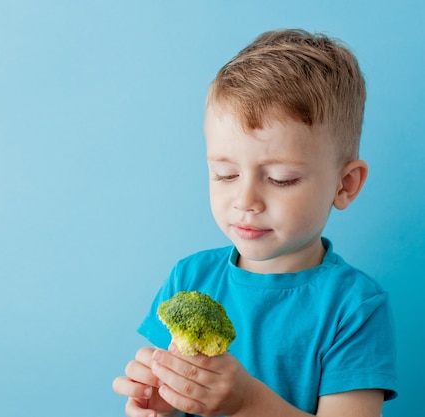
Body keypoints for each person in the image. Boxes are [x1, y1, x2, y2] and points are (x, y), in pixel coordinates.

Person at [112, 29, 398, 417]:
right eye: (226, 175)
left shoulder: (354, 307)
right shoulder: (189, 278)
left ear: (344, 185)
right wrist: (163, 405)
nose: (245, 201)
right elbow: (173, 398)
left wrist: (246, 403)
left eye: (281, 179)